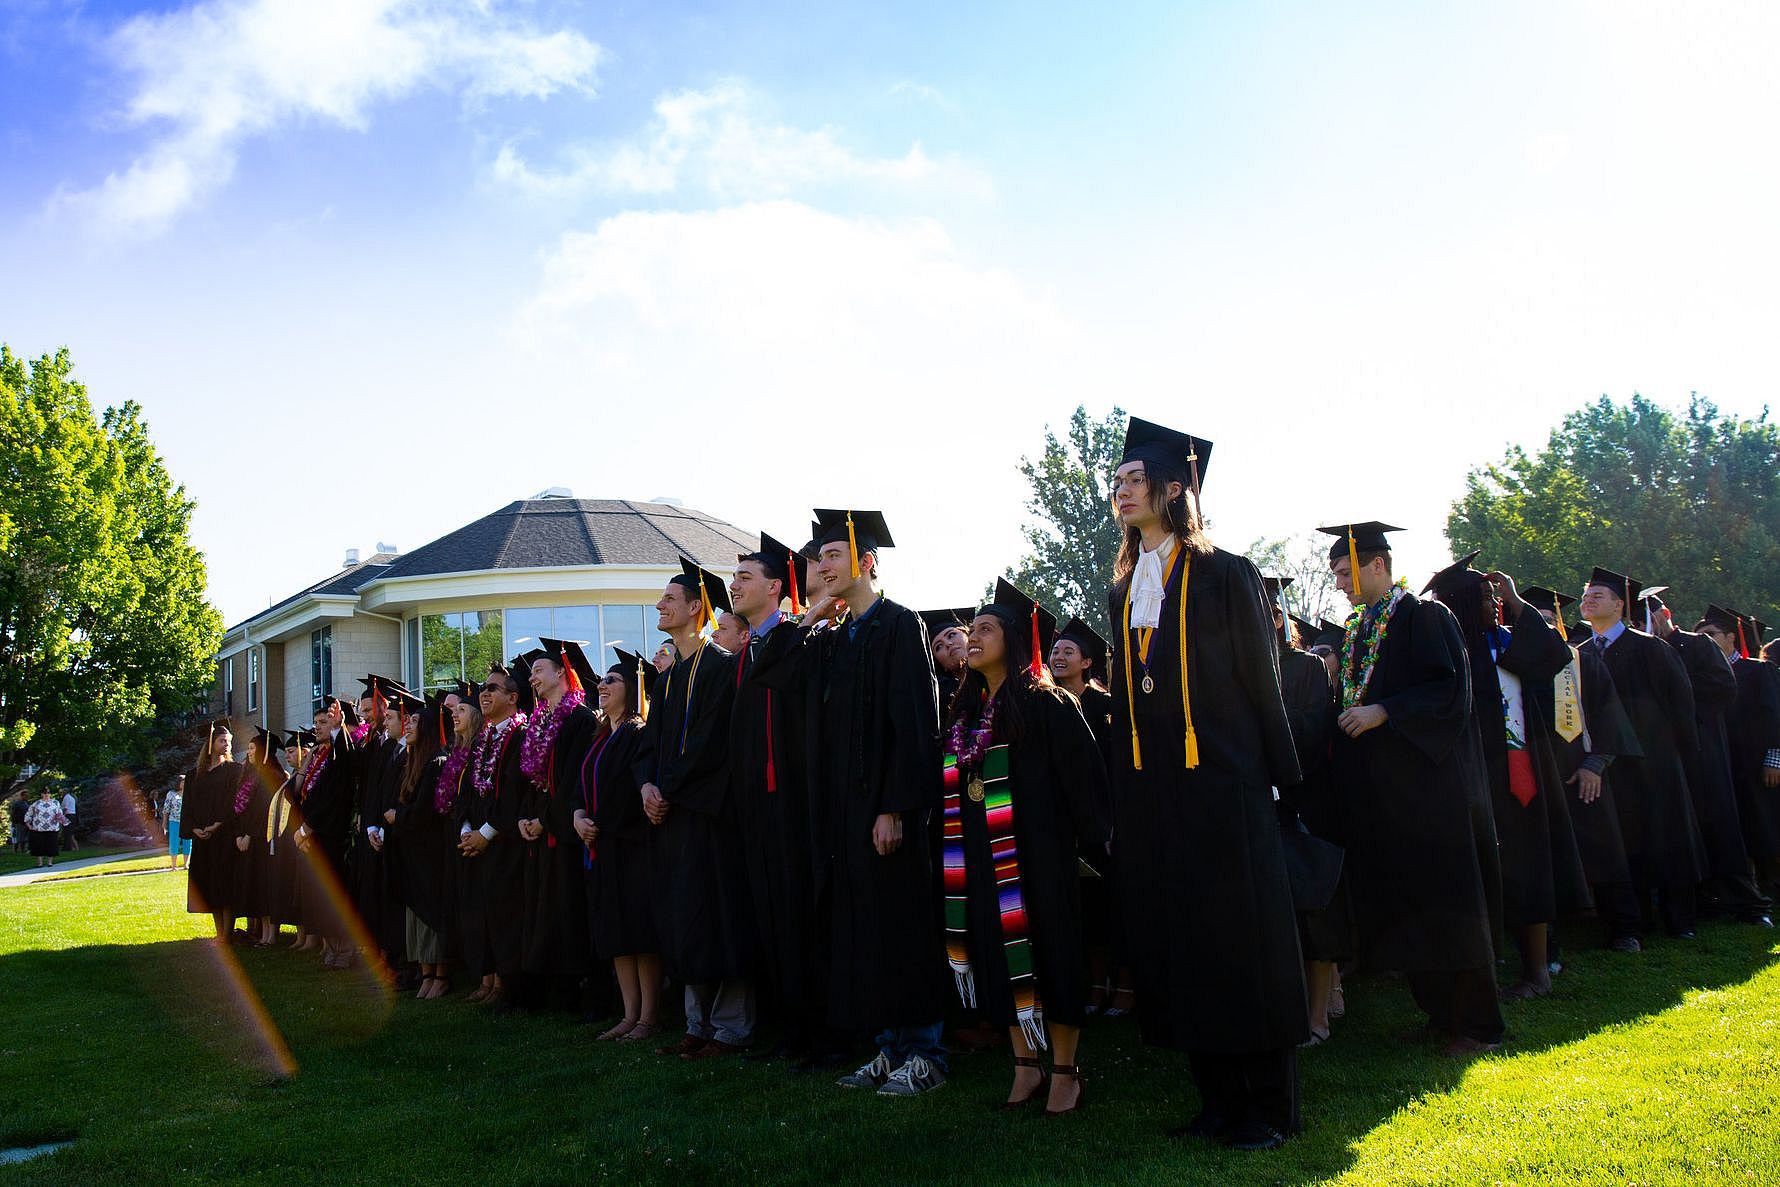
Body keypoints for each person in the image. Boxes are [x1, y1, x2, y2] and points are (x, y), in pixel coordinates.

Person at [1105, 419, 1305, 1150]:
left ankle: (1269, 1107)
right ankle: (1216, 1100)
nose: (1122, 489)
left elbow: (1262, 680)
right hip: (1160, 798)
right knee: (1186, 945)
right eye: (1119, 480)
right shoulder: (1127, 588)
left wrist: (1278, 782)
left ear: (1175, 485)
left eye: (1135, 478)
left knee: (1243, 944)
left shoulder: (1226, 572)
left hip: (1226, 787)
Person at [753, 508, 950, 1098]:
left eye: (833, 556)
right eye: (819, 559)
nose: (822, 566)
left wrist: (893, 806)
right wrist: (811, 613)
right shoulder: (834, 640)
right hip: (843, 813)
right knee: (866, 933)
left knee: (903, 927)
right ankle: (889, 1049)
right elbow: (769, 668)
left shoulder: (901, 626)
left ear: (867, 562)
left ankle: (928, 1054)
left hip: (887, 811)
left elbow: (915, 727)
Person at [1320, 521, 1503, 1059]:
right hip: (1387, 801)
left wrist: (1385, 711)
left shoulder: (1426, 616)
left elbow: (1451, 691)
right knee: (1410, 908)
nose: (1340, 582)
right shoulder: (1359, 629)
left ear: (1379, 563)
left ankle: (1477, 1025)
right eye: (1334, 572)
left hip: (1433, 795)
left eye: (1345, 569)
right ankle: (1437, 1014)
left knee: (1450, 905)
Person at [945, 580, 1110, 1114]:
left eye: (985, 629)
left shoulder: (1049, 703)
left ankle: (1065, 1072)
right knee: (1001, 961)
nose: (973, 637)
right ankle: (1024, 1069)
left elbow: (1086, 782)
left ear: (1014, 639)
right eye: (971, 630)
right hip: (983, 861)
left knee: (1052, 957)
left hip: (1039, 859)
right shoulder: (966, 711)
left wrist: (1086, 845)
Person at [1424, 561, 1593, 998]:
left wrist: (1517, 601)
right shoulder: (1445, 652)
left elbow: (1555, 655)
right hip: (1468, 781)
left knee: (1527, 869)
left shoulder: (1504, 645)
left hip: (1517, 780)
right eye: (1484, 598)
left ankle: (1537, 973)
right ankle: (1485, 973)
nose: (1494, 603)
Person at [637, 558, 754, 1059]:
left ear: (694, 608)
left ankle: (729, 1027)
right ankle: (695, 1023)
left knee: (720, 916)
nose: (660, 606)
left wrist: (668, 788)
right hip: (671, 816)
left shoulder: (723, 669)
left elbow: (707, 744)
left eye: (668, 599)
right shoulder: (664, 681)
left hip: (710, 815)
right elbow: (650, 744)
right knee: (683, 916)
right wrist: (647, 786)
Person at [730, 533, 829, 1064]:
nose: (734, 584)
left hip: (793, 802)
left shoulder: (799, 641)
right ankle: (787, 1028)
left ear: (775, 587)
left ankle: (816, 1032)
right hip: (756, 806)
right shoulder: (748, 652)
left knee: (799, 916)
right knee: (769, 916)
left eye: (745, 576)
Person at [1578, 569, 1707, 938]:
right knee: (1625, 841)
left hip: (1655, 761)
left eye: (1598, 595)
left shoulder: (1649, 647)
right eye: (1586, 595)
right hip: (1610, 765)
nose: (1588, 600)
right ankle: (1634, 922)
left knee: (1667, 836)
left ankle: (1679, 920)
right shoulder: (1581, 655)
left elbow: (1680, 702)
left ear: (1620, 604)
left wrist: (1676, 755)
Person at [1518, 586, 1646, 952]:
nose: (1542, 630)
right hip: (1539, 778)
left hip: (1583, 774)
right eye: (1534, 623)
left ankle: (1625, 929)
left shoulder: (1583, 662)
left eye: (1548, 622)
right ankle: (1551, 940)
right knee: (1545, 855)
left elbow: (1610, 717)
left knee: (1605, 849)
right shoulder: (1516, 668)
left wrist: (1595, 764)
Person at [1643, 593, 1770, 926]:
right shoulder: (1643, 649)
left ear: (1665, 614)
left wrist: (1677, 688)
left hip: (1704, 750)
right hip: (1667, 755)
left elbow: (1723, 687)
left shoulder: (1698, 645)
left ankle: (1749, 906)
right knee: (1683, 833)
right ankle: (1701, 904)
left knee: (1721, 828)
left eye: (1651, 615)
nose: (1648, 622)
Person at [1266, 577, 1349, 1042]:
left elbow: (1313, 731)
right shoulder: (1231, 667)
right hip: (1258, 804)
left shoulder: (1305, 667)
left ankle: (1318, 1014)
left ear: (1278, 618)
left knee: (1317, 917)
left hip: (1305, 803)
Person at [1049, 616, 1130, 1018]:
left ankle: (1127, 984)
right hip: (1066, 824)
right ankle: (1096, 983)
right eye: (1055, 651)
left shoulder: (1105, 706)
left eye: (1068, 652)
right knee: (1086, 908)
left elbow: (1117, 769)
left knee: (1117, 901)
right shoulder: (1045, 703)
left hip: (1106, 821)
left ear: (1087, 663)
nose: (1058, 656)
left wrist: (1115, 821)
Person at [577, 649, 660, 1042]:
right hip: (601, 845)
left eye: (612, 680)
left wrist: (598, 823)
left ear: (632, 688)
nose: (602, 685)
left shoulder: (635, 731)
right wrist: (579, 817)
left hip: (630, 845)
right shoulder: (599, 736)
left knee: (639, 932)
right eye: (602, 680)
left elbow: (626, 791)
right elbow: (583, 789)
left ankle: (648, 1017)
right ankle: (628, 1015)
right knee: (615, 933)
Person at [517, 638, 600, 1011]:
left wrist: (546, 820)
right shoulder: (540, 721)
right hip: (543, 827)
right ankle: (551, 986)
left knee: (570, 908)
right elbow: (532, 777)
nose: (531, 678)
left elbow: (571, 781)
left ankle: (579, 990)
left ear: (561, 672)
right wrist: (528, 817)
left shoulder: (580, 719)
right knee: (544, 907)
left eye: (538, 670)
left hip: (566, 833)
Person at [457, 665, 530, 1007]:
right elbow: (469, 792)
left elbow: (515, 793)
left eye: (493, 688)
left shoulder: (520, 735)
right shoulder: (482, 739)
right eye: (483, 689)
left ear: (513, 698)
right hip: (478, 841)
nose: (484, 694)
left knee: (505, 913)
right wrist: (467, 829)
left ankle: (507, 985)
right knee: (481, 912)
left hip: (504, 843)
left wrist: (486, 833)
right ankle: (488, 980)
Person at [1701, 607, 1780, 905]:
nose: (1704, 641)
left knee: (1764, 822)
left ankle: (1772, 882)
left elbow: (1774, 714)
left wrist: (1774, 758)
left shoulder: (1758, 670)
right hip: (1725, 761)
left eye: (1710, 634)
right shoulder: (1709, 674)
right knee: (1740, 823)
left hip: (1758, 761)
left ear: (1731, 637)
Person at [293, 695, 364, 970]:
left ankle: (344, 947)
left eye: (323, 722)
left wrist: (308, 827)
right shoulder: (319, 755)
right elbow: (298, 791)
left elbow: (333, 795)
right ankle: (333, 946)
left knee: (336, 892)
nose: (317, 727)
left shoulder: (338, 754)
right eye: (316, 722)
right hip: (316, 833)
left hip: (332, 833)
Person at [391, 695, 453, 999]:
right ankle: (426, 972)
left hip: (431, 853)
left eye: (415, 721)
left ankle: (440, 975)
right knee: (417, 912)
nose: (408, 724)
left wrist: (396, 816)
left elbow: (425, 812)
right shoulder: (414, 764)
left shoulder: (437, 763)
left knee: (432, 911)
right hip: (414, 853)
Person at [183, 723, 246, 941]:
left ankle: (227, 933)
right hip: (203, 839)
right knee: (210, 885)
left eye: (229, 741)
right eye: (222, 741)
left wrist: (218, 823)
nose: (227, 744)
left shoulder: (234, 770)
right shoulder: (194, 775)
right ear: (210, 744)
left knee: (224, 884)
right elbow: (188, 805)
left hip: (224, 836)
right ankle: (219, 932)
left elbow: (235, 803)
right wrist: (193, 828)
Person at [234, 728, 285, 947]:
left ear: (264, 751)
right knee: (257, 887)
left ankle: (271, 935)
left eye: (253, 748)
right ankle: (263, 934)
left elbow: (265, 811)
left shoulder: (273, 776)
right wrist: (240, 833)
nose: (249, 752)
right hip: (251, 839)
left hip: (265, 841)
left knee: (266, 887)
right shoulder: (252, 775)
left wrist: (248, 834)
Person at [265, 732, 311, 945]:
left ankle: (307, 937)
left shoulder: (305, 777)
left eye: (292, 751)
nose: (288, 756)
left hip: (301, 839)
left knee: (301, 889)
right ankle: (301, 937)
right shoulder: (292, 776)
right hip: (289, 840)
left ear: (304, 752)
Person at [24, 789, 69, 868]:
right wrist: (28, 824)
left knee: (51, 845)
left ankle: (50, 862)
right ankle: (40, 863)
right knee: (39, 846)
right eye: (45, 793)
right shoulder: (36, 803)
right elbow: (29, 813)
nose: (46, 794)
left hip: (52, 828)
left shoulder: (55, 803)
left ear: (50, 794)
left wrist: (63, 821)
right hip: (39, 828)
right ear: (42, 794)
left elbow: (59, 813)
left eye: (48, 793)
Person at [165, 775, 192, 870]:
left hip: (187, 822)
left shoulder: (190, 794)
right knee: (174, 843)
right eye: (183, 782)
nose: (185, 783)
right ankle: (173, 865)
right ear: (178, 783)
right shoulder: (171, 794)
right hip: (174, 822)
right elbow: (166, 810)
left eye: (186, 782)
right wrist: (164, 824)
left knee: (188, 843)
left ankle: (186, 864)